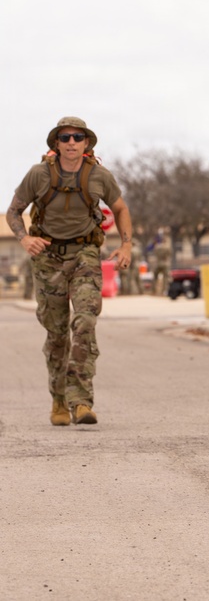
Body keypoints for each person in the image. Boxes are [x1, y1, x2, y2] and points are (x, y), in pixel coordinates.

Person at [5, 116, 134, 426]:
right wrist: (24, 238)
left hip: (85, 254)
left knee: (86, 321)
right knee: (57, 333)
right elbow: (13, 211)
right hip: (47, 258)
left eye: (78, 137)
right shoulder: (38, 175)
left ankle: (82, 401)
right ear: (56, 144)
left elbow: (120, 208)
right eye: (66, 138)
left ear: (87, 142)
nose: (72, 142)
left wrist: (127, 244)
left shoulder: (99, 175)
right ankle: (59, 399)